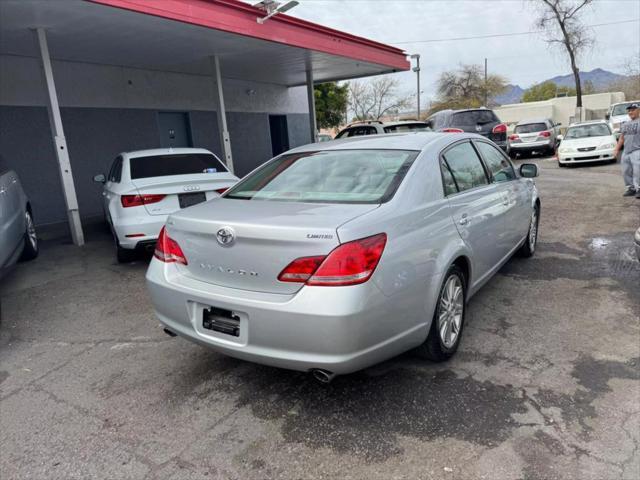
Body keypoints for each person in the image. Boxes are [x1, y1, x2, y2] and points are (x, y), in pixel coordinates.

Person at [614, 103, 640, 198]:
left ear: (638, 110)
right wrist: (616, 149)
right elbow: (621, 138)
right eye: (629, 110)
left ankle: (639, 189)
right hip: (626, 151)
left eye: (633, 110)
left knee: (638, 171)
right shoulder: (625, 124)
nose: (630, 112)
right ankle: (631, 188)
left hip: (637, 150)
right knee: (626, 171)